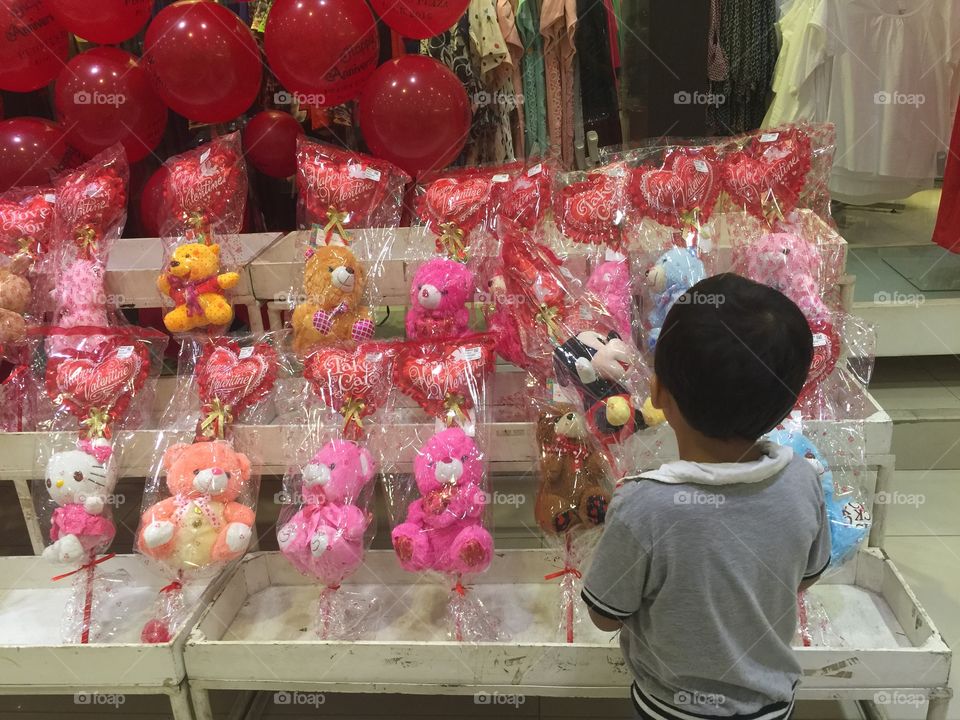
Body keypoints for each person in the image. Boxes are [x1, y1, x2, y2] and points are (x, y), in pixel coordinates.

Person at [582, 273, 829, 720]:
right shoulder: (802, 480)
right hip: (771, 704)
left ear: (658, 393)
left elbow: (605, 614)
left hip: (670, 707)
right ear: (789, 402)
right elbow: (806, 576)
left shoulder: (643, 506)